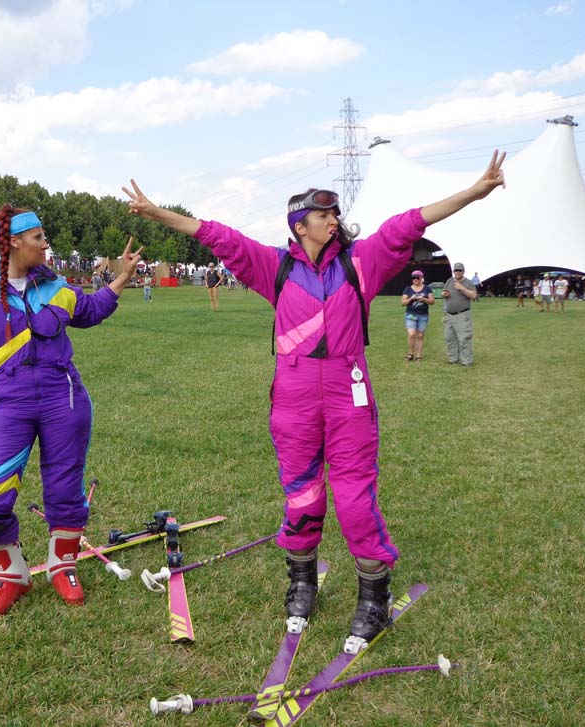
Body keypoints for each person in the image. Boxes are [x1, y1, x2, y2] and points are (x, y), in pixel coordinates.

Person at [122, 150, 507, 651]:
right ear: (300, 225)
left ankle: (375, 595)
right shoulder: (272, 267)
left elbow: (411, 222)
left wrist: (473, 193)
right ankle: (301, 580)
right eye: (324, 215)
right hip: (294, 403)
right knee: (302, 495)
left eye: (335, 214)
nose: (334, 220)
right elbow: (216, 235)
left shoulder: (361, 262)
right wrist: (157, 213)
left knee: (353, 499)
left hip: (350, 402)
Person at [0, 205, 144, 620]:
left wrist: (123, 276)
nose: (45, 243)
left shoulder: (54, 286)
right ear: (14, 242)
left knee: (65, 490)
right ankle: (12, 573)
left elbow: (91, 311)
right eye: (39, 237)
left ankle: (62, 565)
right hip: (9, 400)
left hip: (65, 397)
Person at [442, 262, 477, 366]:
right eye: (455, 270)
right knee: (449, 338)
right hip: (449, 315)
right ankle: (453, 359)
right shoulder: (449, 280)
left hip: (462, 315)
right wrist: (444, 294)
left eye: (459, 270)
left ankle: (466, 361)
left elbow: (473, 295)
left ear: (463, 271)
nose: (457, 272)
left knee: (464, 339)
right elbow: (444, 292)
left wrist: (461, 288)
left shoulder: (468, 283)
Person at [400, 270, 435, 361]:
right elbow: (403, 303)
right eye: (413, 277)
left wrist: (424, 299)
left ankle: (418, 355)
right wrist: (411, 298)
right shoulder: (408, 289)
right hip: (411, 315)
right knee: (411, 334)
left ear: (421, 278)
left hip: (423, 315)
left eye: (417, 277)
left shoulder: (427, 288)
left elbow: (432, 301)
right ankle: (410, 353)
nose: (415, 279)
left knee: (420, 336)